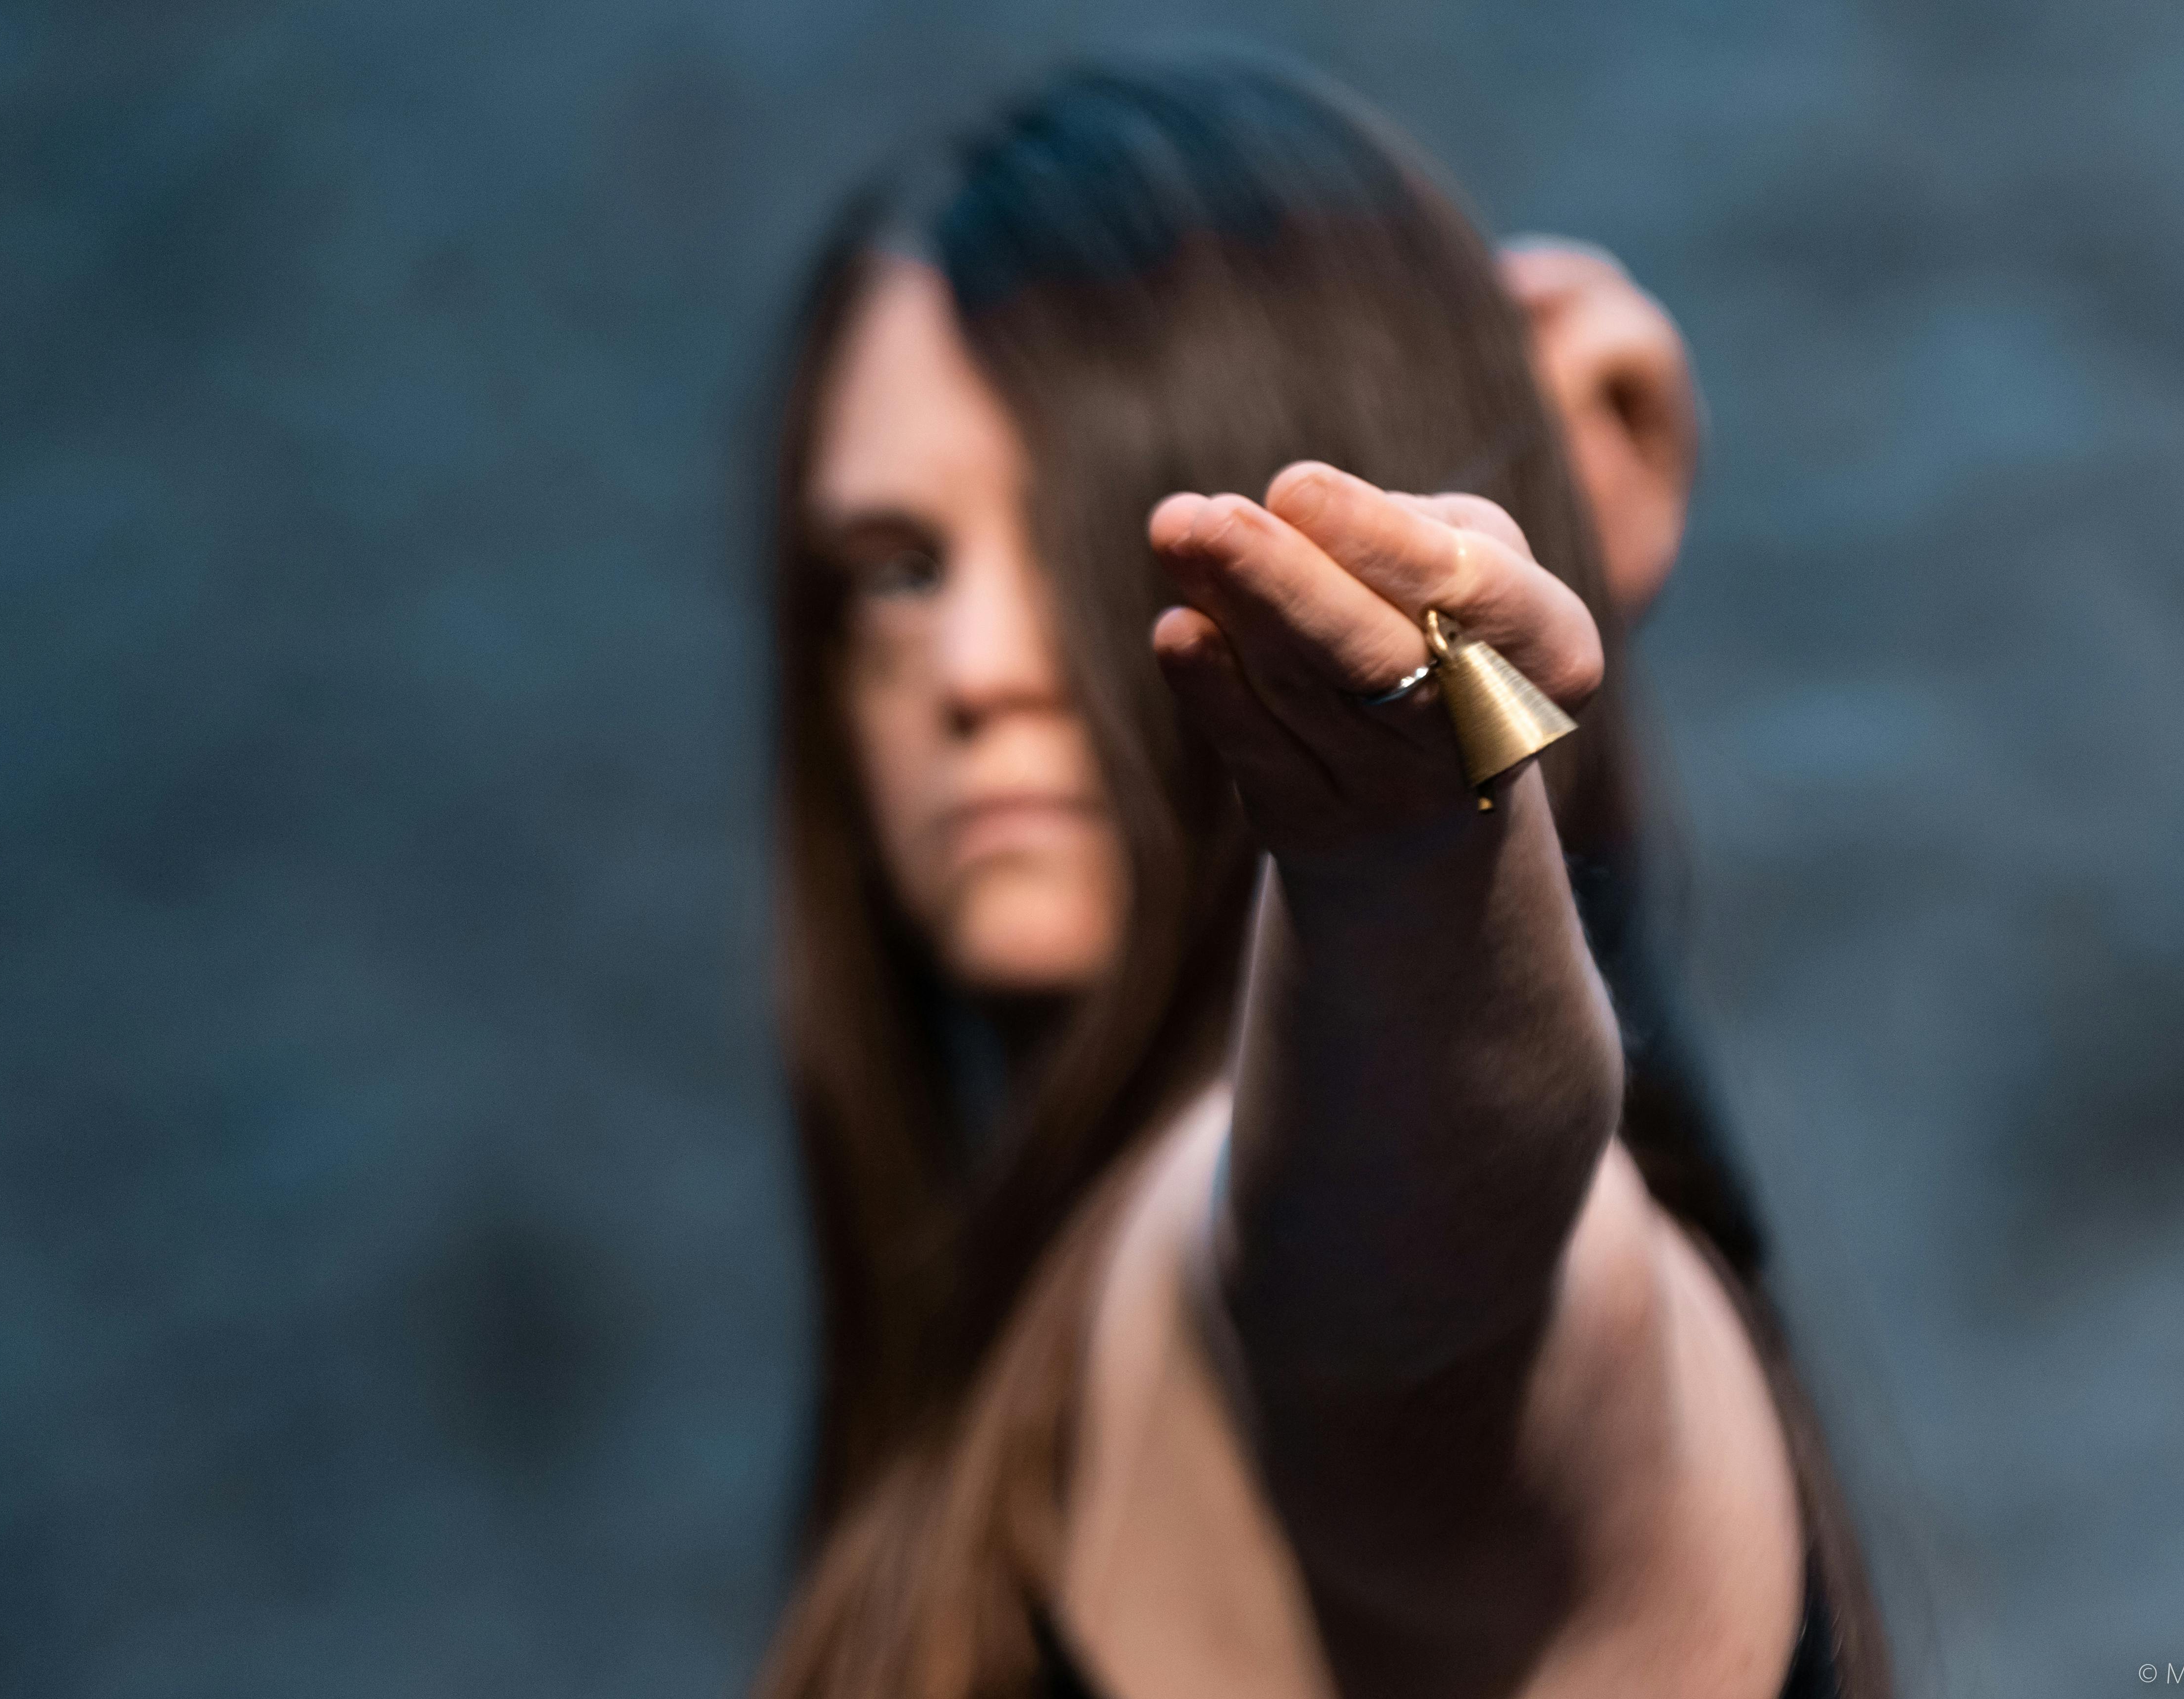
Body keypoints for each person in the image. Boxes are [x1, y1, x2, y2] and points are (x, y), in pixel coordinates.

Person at [755, 55, 1888, 1699]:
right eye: (899, 571)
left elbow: (1415, 1249)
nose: (973, 672)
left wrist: (1421, 862)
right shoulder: (1024, 1337)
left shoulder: (1243, 1252)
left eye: (1093, 527)